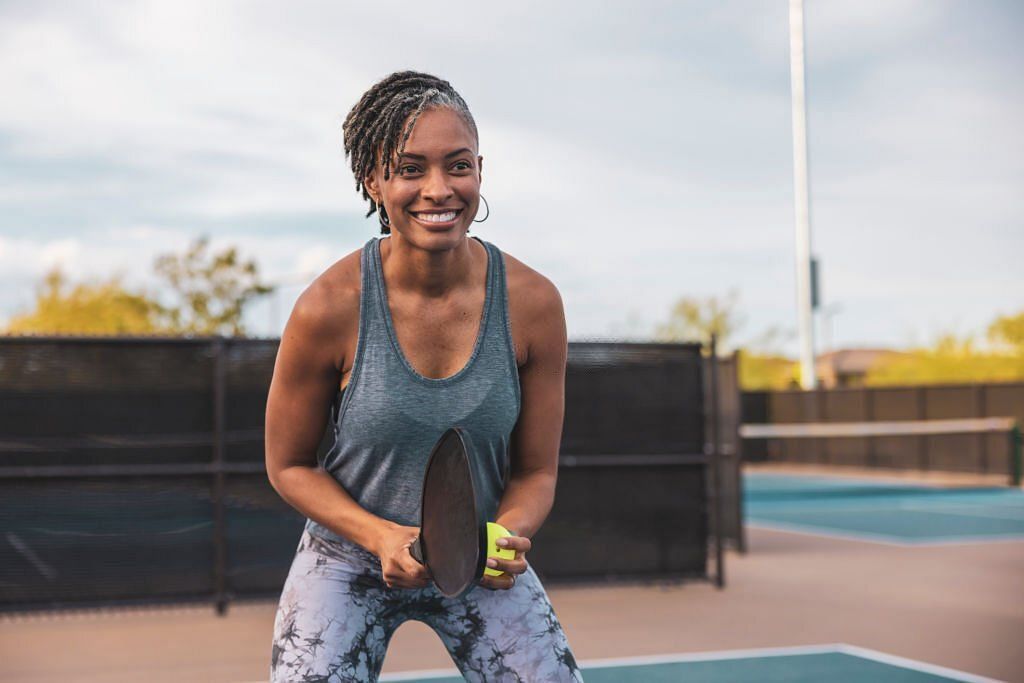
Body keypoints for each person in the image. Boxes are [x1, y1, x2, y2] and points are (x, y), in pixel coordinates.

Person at [265, 71, 583, 682]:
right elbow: (288, 466)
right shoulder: (328, 306)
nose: (438, 189)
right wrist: (382, 537)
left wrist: (503, 536)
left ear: (480, 171)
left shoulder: (534, 303)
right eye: (411, 169)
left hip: (476, 555)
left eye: (457, 166)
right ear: (373, 180)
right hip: (348, 559)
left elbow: (537, 471)